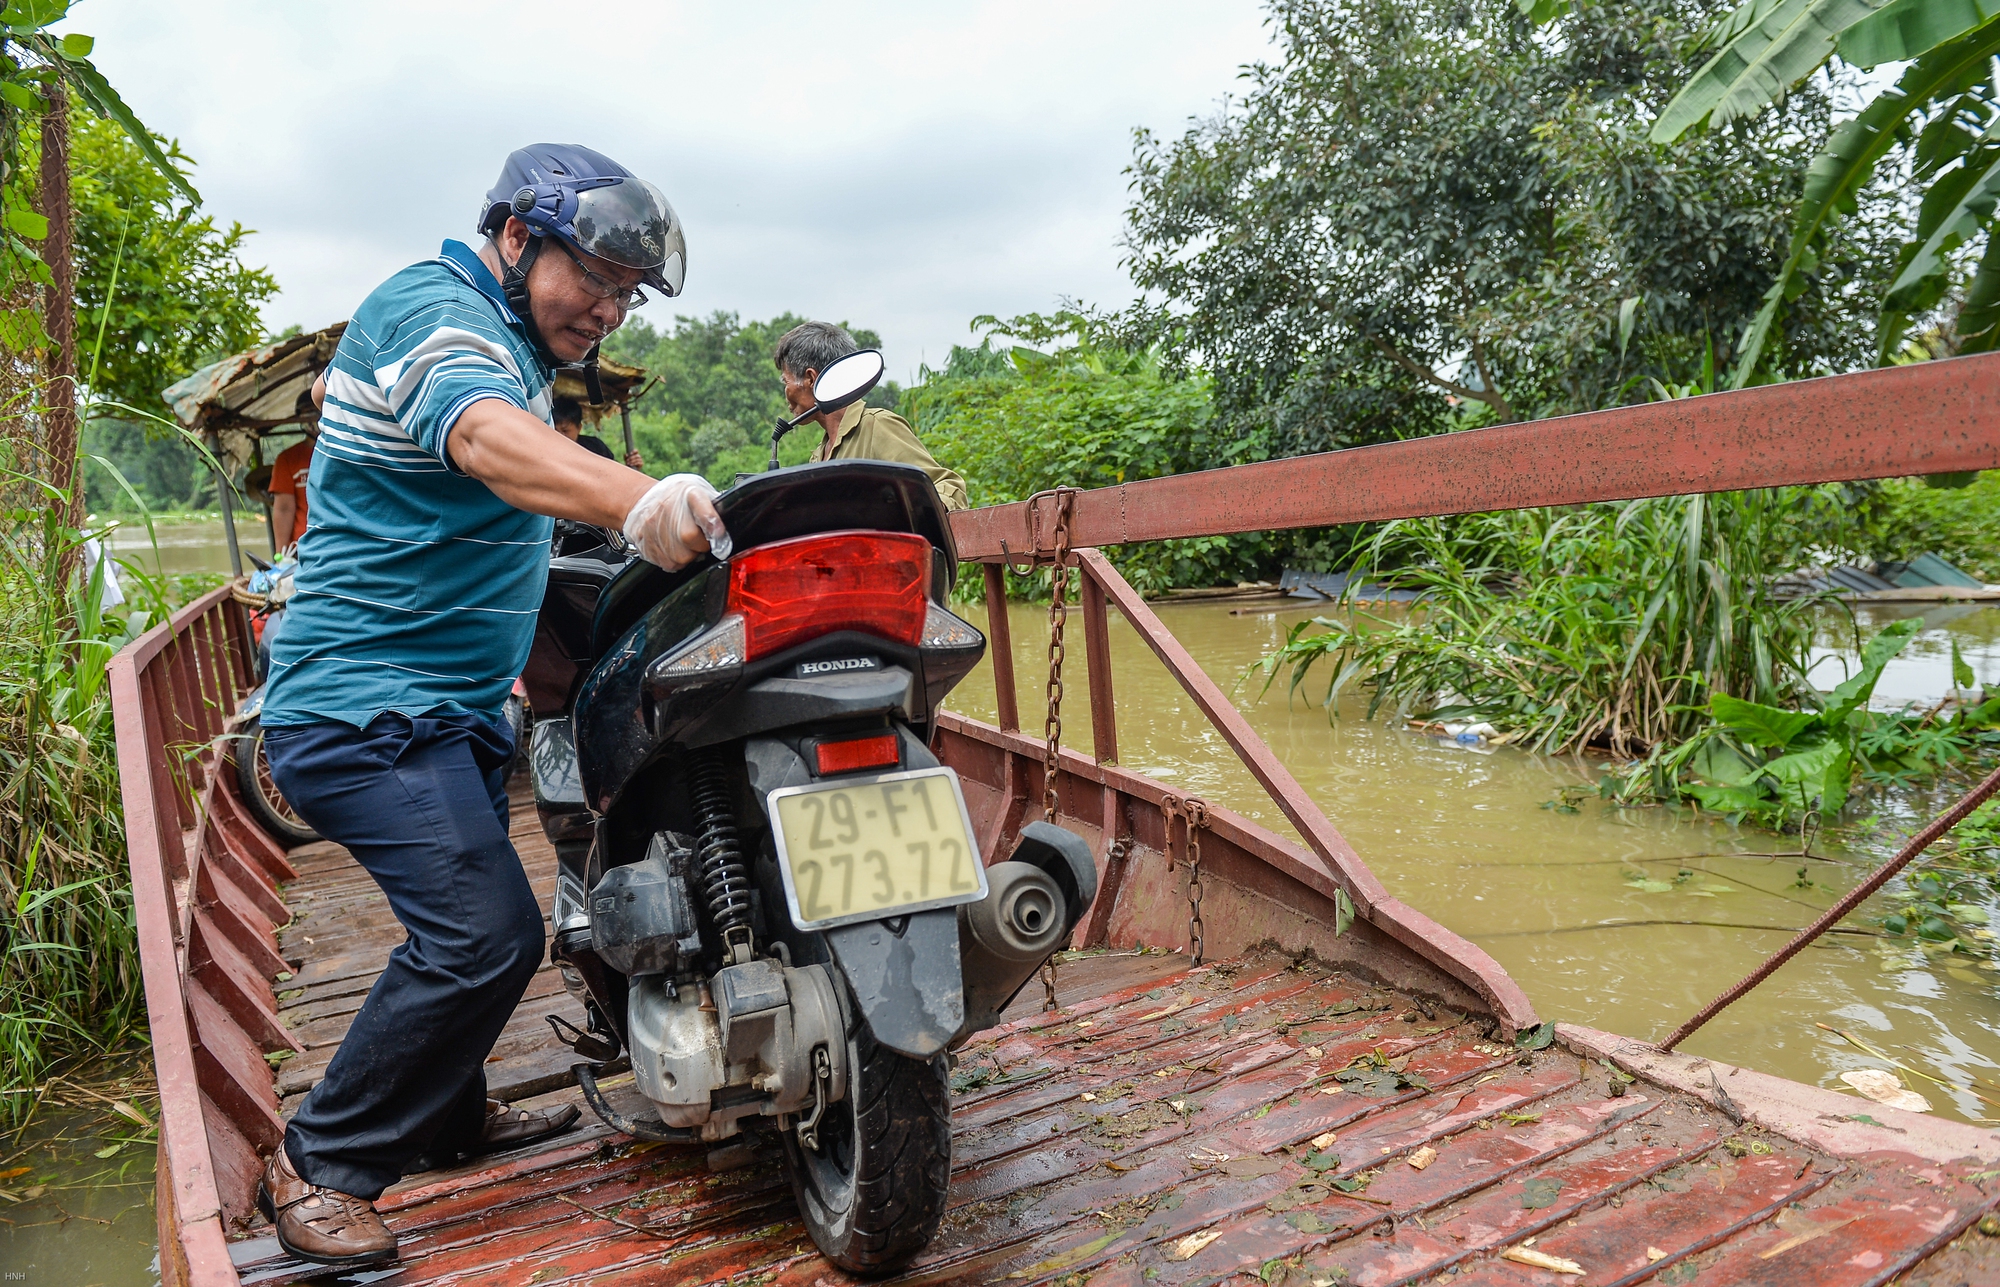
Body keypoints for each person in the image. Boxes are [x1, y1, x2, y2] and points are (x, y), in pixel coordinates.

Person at [253, 144, 729, 1269]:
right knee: (483, 935)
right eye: (593, 278)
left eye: (626, 295)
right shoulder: (432, 312)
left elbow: (502, 477)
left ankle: (449, 1120)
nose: (606, 310)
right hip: (359, 709)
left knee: (457, 918)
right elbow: (482, 440)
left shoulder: (514, 343)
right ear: (516, 237)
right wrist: (639, 500)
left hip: (447, 710)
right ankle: (319, 1160)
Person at [774, 320, 968, 510]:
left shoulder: (876, 426)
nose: (785, 391)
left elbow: (948, 487)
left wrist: (904, 518)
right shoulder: (820, 454)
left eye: (786, 381)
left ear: (810, 378)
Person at [552, 394, 643, 468]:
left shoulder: (596, 448)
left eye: (565, 431)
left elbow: (614, 475)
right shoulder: (543, 451)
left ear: (579, 428)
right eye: (555, 431)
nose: (560, 435)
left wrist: (631, 467)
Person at [267, 423, 317, 551]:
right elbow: (284, 509)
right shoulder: (289, 459)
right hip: (305, 546)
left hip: (342, 542)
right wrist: (281, 555)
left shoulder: (345, 451)